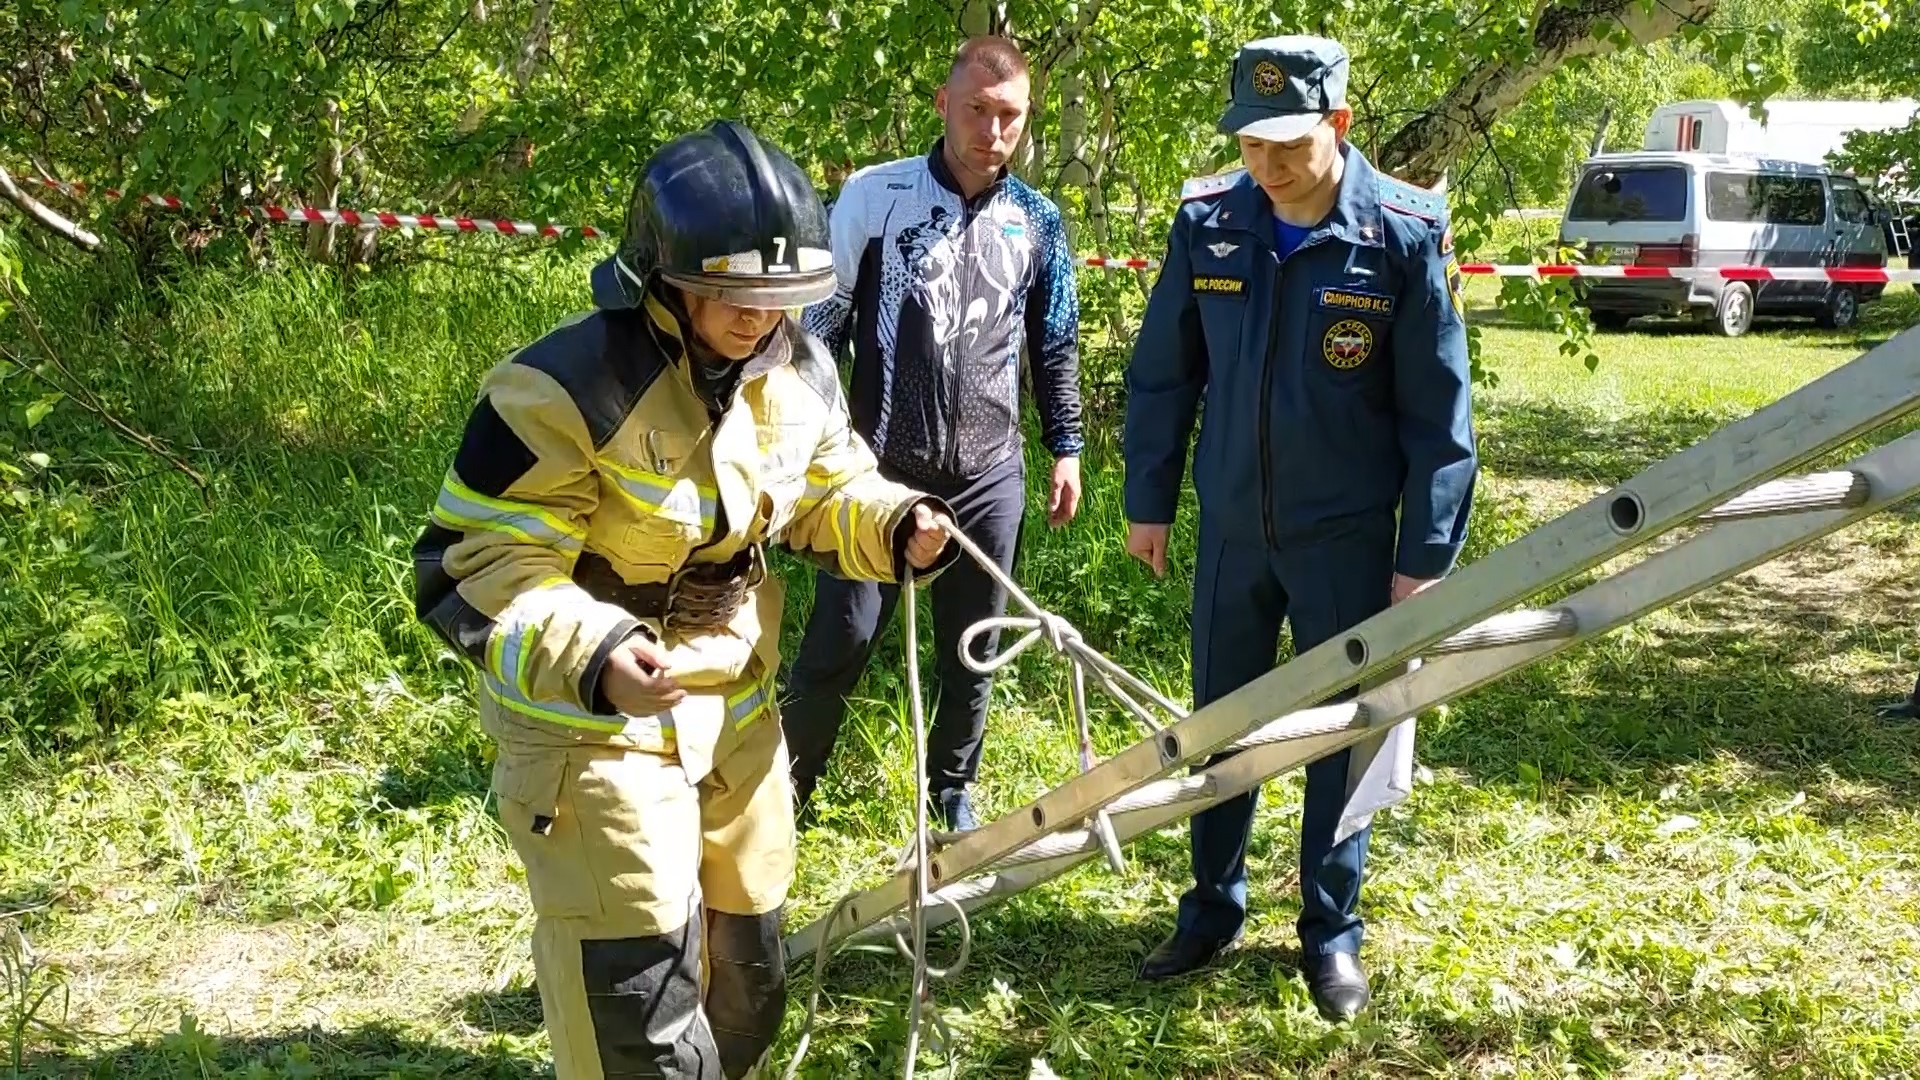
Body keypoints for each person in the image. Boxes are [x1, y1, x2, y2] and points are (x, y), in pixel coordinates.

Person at [410, 119, 958, 1080]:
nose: (757, 318)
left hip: (734, 709)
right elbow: (474, 562)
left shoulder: (798, 371)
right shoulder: (560, 388)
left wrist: (896, 521)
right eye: (731, 296)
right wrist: (598, 652)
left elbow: (826, 491)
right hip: (592, 731)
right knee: (644, 1022)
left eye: (777, 298)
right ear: (661, 278)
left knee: (747, 991)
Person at [1119, 36, 1479, 1021]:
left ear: (1340, 125)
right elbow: (1164, 371)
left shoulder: (1401, 232)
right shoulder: (1211, 224)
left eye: (1289, 142)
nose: (1269, 165)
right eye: (1250, 143)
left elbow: (1439, 416)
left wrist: (1424, 558)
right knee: (1222, 726)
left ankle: (1331, 934)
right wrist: (1148, 500)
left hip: (1348, 541)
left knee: (1342, 734)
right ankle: (1211, 908)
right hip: (1235, 531)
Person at [780, 34, 1087, 833]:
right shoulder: (875, 197)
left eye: (1009, 116)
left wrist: (1068, 447)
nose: (992, 130)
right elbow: (818, 329)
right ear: (944, 104)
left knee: (973, 644)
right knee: (842, 635)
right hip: (878, 469)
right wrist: (807, 445)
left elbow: (1053, 339)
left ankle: (952, 790)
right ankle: (786, 786)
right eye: (977, 109)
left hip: (990, 466)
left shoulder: (1039, 222)